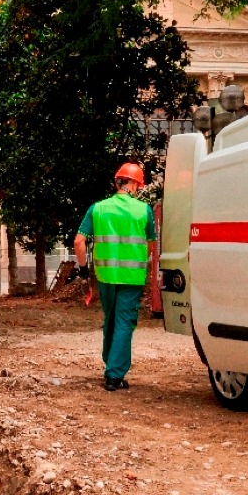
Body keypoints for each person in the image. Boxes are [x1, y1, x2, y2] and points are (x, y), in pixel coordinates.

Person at [73, 162, 157, 391]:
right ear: (133, 183)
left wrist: (83, 271)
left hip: (106, 276)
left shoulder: (98, 208)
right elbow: (151, 245)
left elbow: (79, 242)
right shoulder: (144, 210)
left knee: (111, 318)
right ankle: (114, 375)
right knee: (124, 323)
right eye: (139, 185)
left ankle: (110, 363)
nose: (139, 189)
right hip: (132, 278)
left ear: (117, 182)